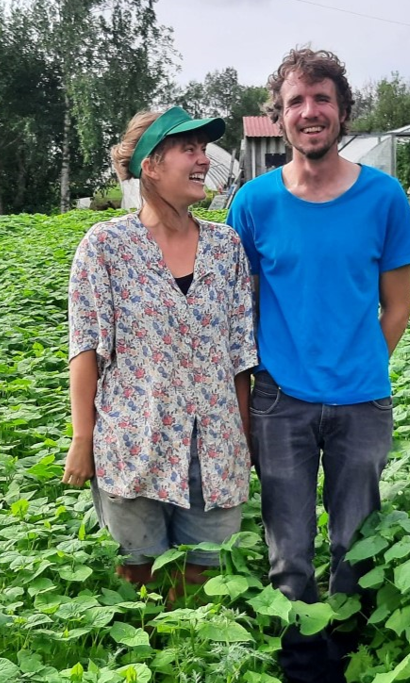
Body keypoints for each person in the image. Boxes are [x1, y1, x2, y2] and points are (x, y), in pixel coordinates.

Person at [226, 47, 410, 683]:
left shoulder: (383, 197)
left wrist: (359, 365)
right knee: (288, 547)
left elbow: (396, 306)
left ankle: (346, 655)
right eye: (295, 103)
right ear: (278, 118)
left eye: (322, 100)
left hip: (362, 401)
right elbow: (243, 310)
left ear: (342, 112)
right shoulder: (253, 205)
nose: (309, 113)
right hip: (279, 400)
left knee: (353, 544)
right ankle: (300, 664)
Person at [63, 107, 257, 595]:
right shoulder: (105, 246)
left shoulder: (225, 246)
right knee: (138, 574)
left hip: (213, 447)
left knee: (202, 578)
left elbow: (239, 357)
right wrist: (82, 439)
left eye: (203, 149)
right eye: (188, 149)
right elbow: (86, 348)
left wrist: (243, 438)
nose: (203, 159)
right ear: (150, 164)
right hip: (133, 443)